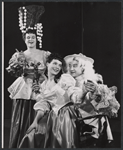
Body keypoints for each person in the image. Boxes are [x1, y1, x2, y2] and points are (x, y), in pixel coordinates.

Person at [6, 5, 51, 148]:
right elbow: (13, 71)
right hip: (25, 86)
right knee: (23, 115)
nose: (30, 39)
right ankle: (21, 143)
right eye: (28, 37)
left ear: (37, 38)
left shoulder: (45, 54)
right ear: (25, 39)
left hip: (41, 86)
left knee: (40, 112)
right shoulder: (20, 55)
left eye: (33, 37)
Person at [19, 53, 84, 148]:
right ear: (48, 64)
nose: (57, 67)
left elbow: (73, 95)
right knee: (31, 135)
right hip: (52, 116)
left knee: (62, 140)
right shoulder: (43, 85)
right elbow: (43, 106)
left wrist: (81, 93)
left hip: (65, 113)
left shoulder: (64, 79)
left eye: (60, 65)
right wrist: (35, 121)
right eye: (55, 63)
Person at [64, 53, 119, 147]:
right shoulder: (69, 83)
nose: (72, 69)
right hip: (80, 125)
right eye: (70, 66)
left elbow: (105, 106)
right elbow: (76, 100)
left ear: (83, 67)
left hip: (96, 123)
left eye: (75, 66)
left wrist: (99, 94)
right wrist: (84, 93)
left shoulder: (94, 81)